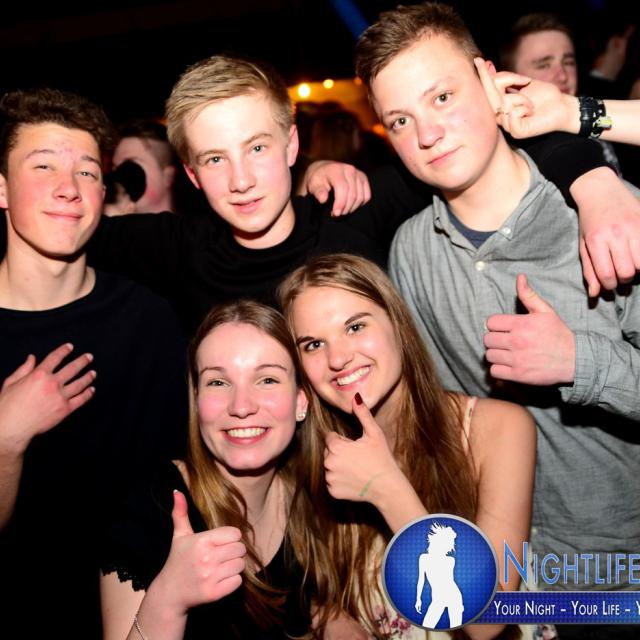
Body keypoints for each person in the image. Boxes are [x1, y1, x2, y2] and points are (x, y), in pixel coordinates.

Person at [354, 3, 640, 637]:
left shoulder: (609, 218)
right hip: (514, 591)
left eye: (443, 97)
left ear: (490, 82)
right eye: (401, 120)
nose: (428, 133)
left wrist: (579, 362)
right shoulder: (412, 252)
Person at [84, 52, 640, 336]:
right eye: (214, 159)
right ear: (190, 174)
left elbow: (491, 139)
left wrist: (596, 184)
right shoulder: (176, 247)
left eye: (257, 148)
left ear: (291, 145)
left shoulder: (353, 210)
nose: (241, 179)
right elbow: (64, 226)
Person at [0, 87, 188, 637]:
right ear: (2, 189)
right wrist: (6, 437)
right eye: (43, 166)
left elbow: (173, 494)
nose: (69, 187)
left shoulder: (149, 320)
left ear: (103, 192)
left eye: (86, 171)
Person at [278, 253, 536, 639]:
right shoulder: (307, 454)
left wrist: (386, 488)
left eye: (355, 326)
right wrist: (325, 614)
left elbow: (488, 620)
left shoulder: (497, 427)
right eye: (314, 344)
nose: (338, 357)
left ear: (397, 323)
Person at [100, 300, 345, 639]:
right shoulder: (149, 509)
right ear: (196, 399)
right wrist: (168, 599)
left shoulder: (312, 496)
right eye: (218, 382)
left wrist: (330, 616)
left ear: (300, 401)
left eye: (267, 379)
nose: (241, 406)